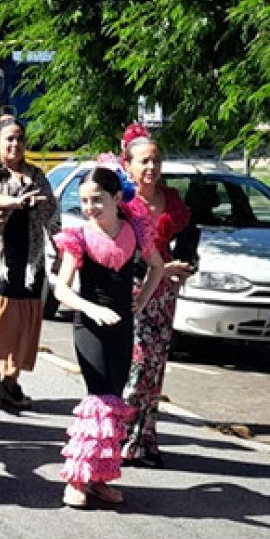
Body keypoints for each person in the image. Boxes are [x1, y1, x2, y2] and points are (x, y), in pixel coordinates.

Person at [51, 163, 166, 509]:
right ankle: (77, 479)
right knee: (98, 399)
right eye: (85, 201)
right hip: (90, 327)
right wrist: (92, 309)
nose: (90, 208)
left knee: (115, 402)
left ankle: (100, 478)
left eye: (97, 200)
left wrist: (140, 303)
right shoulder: (79, 237)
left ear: (117, 198)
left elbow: (157, 267)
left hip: (122, 327)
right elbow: (61, 290)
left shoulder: (135, 230)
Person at [0, 117, 59, 411]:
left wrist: (65, 250)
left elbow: (53, 216)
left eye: (19, 139)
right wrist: (13, 202)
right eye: (9, 139)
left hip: (31, 261)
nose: (15, 145)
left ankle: (11, 382)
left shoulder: (37, 176)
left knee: (23, 322)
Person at [119, 124, 200, 466]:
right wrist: (155, 271)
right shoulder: (122, 203)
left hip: (164, 296)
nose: (150, 168)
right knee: (135, 367)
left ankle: (145, 439)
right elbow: (118, 250)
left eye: (155, 161)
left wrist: (186, 267)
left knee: (155, 369)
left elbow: (190, 237)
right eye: (143, 162)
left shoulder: (172, 200)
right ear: (128, 166)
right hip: (132, 292)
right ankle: (120, 436)